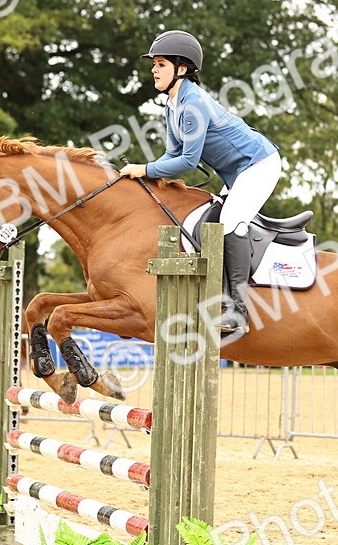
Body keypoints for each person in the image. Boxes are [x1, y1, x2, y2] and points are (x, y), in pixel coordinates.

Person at [118, 30, 281, 337]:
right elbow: (171, 154)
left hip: (259, 164)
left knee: (232, 222)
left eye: (161, 63)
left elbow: (189, 161)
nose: (154, 69)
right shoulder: (172, 104)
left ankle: (238, 310)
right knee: (210, 221)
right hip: (237, 174)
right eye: (154, 63)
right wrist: (148, 174)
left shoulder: (192, 102)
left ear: (182, 68)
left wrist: (144, 169)